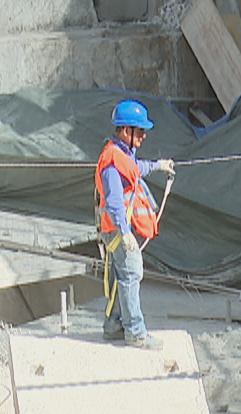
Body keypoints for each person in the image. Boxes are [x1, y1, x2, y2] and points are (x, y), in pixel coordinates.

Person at [96, 100, 175, 351]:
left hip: (116, 229)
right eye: (139, 131)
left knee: (122, 275)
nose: (143, 136)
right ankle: (135, 332)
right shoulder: (111, 162)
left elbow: (136, 168)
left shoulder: (123, 155)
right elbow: (114, 201)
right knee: (131, 273)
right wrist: (125, 232)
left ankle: (113, 325)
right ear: (125, 131)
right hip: (117, 230)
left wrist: (158, 165)